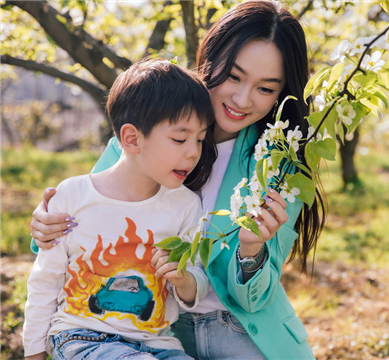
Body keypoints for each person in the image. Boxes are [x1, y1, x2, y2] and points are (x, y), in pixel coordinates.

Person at [29, 1, 326, 359]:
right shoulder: (141, 135)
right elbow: (86, 223)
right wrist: (45, 223)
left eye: (266, 88)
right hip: (160, 332)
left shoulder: (278, 164)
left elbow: (254, 297)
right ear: (209, 61)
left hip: (244, 332)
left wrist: (251, 251)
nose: (242, 99)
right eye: (233, 76)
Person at [23, 58, 217, 360]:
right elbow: (45, 280)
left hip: (159, 345)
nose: (193, 151)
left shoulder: (185, 205)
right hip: (82, 337)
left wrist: (183, 280)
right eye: (180, 138)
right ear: (131, 138)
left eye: (200, 139)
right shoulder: (73, 197)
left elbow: (197, 282)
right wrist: (33, 351)